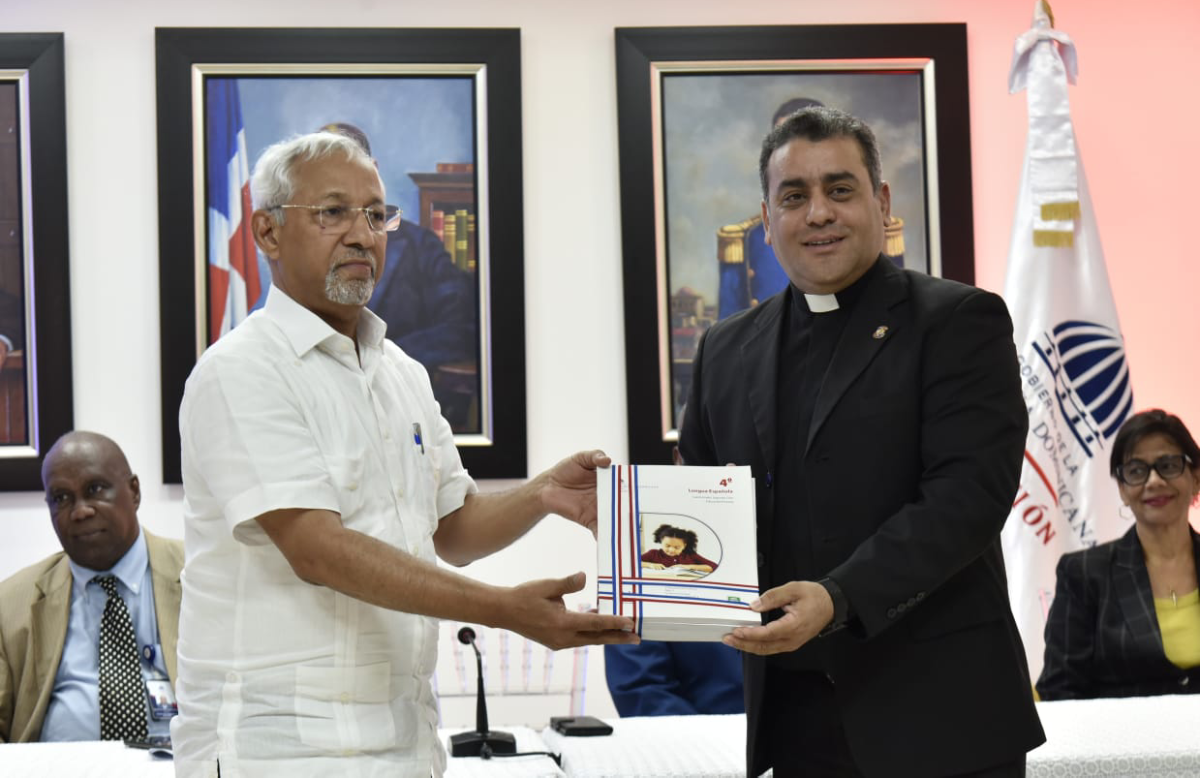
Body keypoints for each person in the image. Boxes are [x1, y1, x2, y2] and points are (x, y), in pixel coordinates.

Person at [170, 131, 635, 778]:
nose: (364, 234)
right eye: (333, 213)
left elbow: (453, 530)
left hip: (408, 743)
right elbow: (316, 549)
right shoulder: (241, 372)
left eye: (376, 213)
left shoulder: (402, 373)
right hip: (278, 751)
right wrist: (503, 610)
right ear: (268, 233)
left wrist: (542, 495)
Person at [681, 106, 1044, 777]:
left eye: (839, 189)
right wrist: (624, 526)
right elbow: (705, 502)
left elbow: (967, 499)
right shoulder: (724, 351)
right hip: (794, 725)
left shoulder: (960, 321)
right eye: (794, 196)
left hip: (943, 723)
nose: (817, 212)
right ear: (767, 219)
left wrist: (839, 597)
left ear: (880, 201)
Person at [0, 431, 183, 743]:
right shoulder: (11, 604)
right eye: (61, 498)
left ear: (134, 492)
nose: (80, 511)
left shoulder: (196, 574)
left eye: (95, 489)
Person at [318, 122, 479, 431]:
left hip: (398, 413)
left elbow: (462, 327)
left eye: (345, 162)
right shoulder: (302, 249)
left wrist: (378, 358)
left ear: (373, 169)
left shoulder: (420, 246)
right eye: (323, 169)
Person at [1038, 409, 1200, 700]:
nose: (1153, 481)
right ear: (1123, 489)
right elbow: (1059, 692)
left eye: (1168, 465)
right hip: (1122, 743)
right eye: (1136, 470)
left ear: (1196, 479)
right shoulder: (1084, 573)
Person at [640, 524, 716, 573]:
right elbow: (633, 563)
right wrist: (650, 565)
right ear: (661, 541)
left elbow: (714, 566)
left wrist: (689, 567)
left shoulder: (690, 555)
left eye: (677, 547)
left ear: (684, 546)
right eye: (667, 546)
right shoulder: (653, 553)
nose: (671, 550)